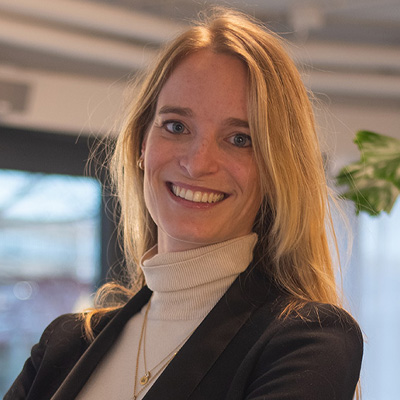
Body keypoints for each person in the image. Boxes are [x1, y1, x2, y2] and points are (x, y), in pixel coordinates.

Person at [6, 7, 363, 400]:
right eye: (176, 126)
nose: (197, 163)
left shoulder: (307, 343)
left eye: (240, 139)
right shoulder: (63, 346)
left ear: (276, 169)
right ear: (142, 145)